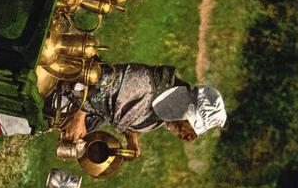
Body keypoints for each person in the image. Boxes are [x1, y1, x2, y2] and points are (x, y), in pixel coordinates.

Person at [58, 62, 227, 157]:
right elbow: (95, 78)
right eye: (176, 124)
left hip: (66, 116)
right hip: (64, 87)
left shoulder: (162, 116)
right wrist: (78, 118)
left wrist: (132, 140)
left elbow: (125, 117)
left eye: (176, 129)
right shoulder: (143, 83)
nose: (169, 127)